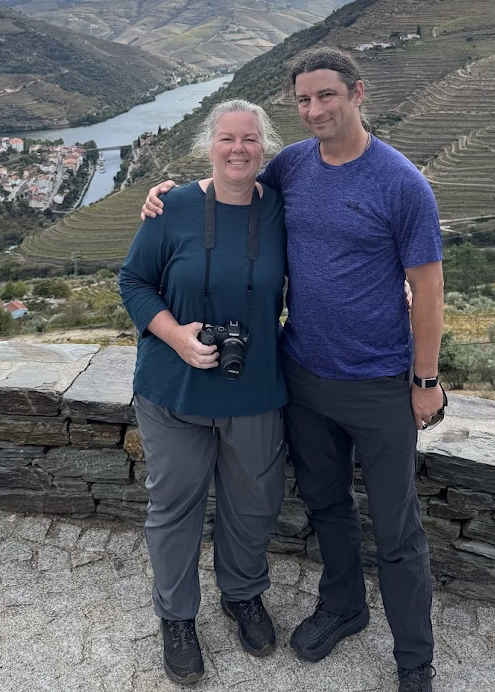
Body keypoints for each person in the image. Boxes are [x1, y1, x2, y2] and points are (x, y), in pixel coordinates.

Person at [143, 48, 444, 692]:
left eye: (327, 96)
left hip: (379, 383)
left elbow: (429, 288)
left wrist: (425, 379)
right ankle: (343, 607)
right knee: (328, 506)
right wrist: (167, 193)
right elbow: (230, 186)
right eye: (304, 100)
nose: (315, 110)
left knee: (397, 531)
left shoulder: (400, 182)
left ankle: (413, 662)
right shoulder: (293, 167)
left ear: (357, 93)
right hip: (303, 375)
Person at [120, 99, 288, 686]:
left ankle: (241, 595)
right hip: (174, 388)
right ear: (208, 145)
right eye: (226, 139)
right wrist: (174, 335)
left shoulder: (281, 211)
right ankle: (177, 617)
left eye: (249, 139)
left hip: (255, 388)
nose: (238, 149)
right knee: (174, 507)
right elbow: (134, 280)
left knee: (254, 504)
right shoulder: (171, 206)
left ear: (263, 147)